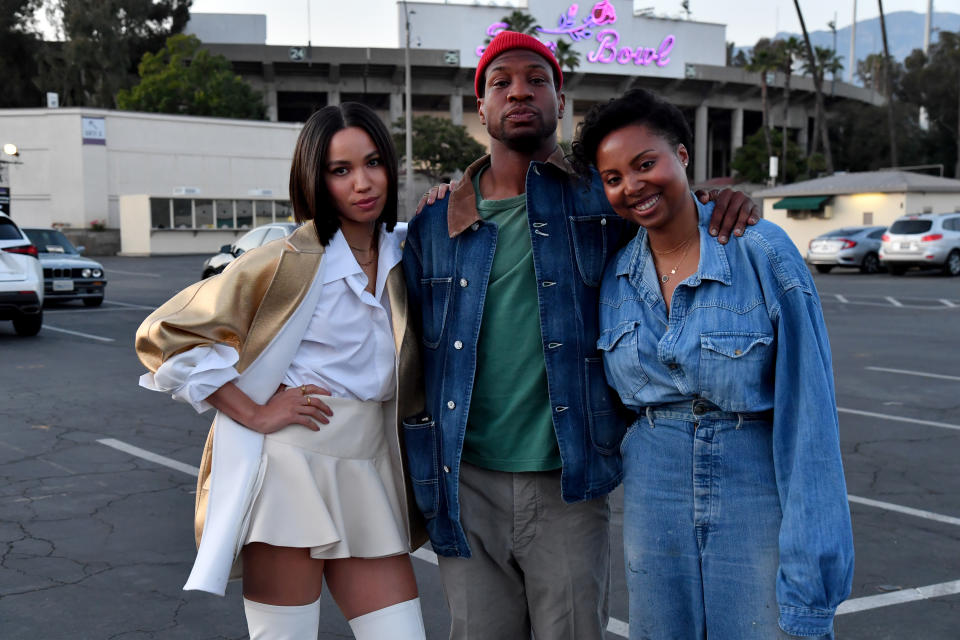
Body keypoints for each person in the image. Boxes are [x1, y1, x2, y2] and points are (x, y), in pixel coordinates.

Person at [403, 30, 760, 640]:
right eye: (502, 82)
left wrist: (728, 201)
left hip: (568, 481)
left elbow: (673, 213)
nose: (520, 91)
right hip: (465, 482)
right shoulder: (435, 224)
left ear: (560, 102)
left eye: (537, 80)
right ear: (481, 109)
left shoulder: (606, 199)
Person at [135, 102, 429, 640]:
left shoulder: (408, 251)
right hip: (290, 468)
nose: (362, 183)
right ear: (315, 180)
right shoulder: (287, 258)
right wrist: (254, 412)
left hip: (371, 465)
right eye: (340, 171)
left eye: (372, 163)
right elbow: (164, 336)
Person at [570, 88, 855, 638]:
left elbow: (810, 419)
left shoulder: (763, 252)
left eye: (645, 163)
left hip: (751, 483)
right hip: (653, 492)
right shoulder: (616, 278)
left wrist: (812, 580)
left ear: (682, 155)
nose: (632, 186)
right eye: (613, 178)